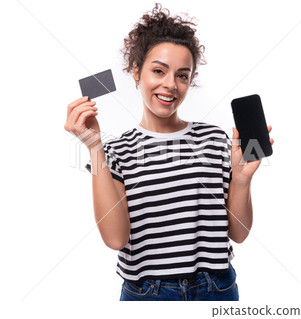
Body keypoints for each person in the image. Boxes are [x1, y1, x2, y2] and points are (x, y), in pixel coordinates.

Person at [64, 3, 274, 301]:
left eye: (182, 75)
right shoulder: (117, 151)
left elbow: (238, 234)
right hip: (147, 295)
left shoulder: (214, 140)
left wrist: (241, 179)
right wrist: (95, 147)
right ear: (136, 72)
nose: (170, 85)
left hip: (217, 289)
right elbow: (115, 239)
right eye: (158, 70)